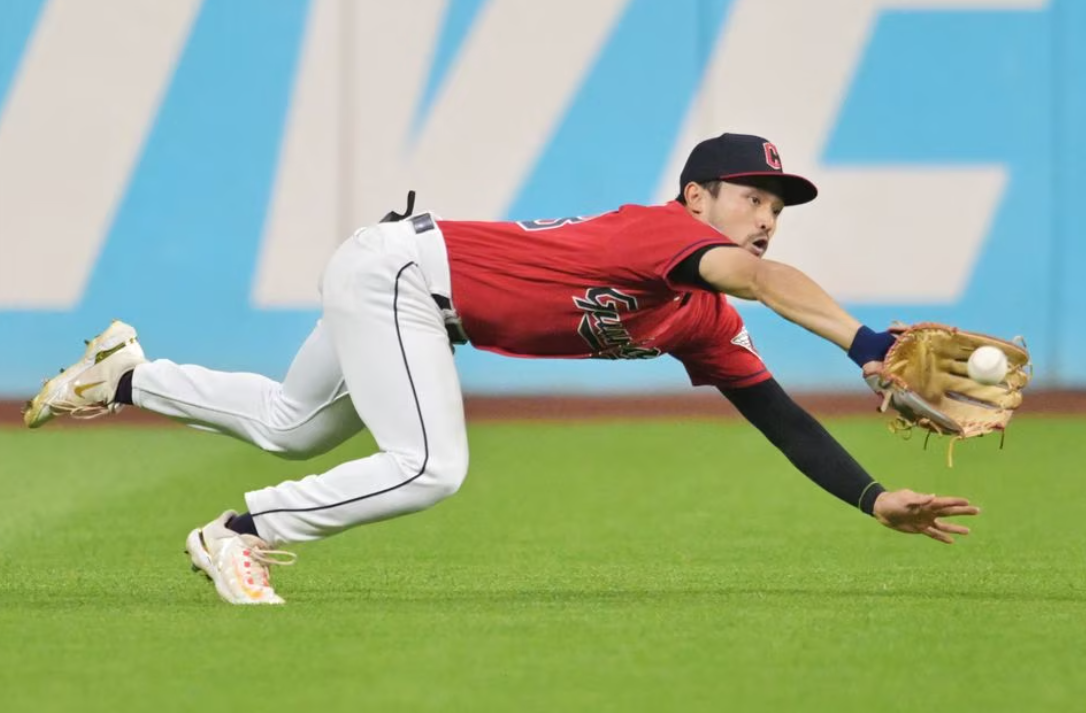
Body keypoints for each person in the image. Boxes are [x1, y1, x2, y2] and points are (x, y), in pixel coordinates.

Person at [23, 132, 980, 605]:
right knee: (431, 463)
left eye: (778, 202)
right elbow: (765, 277)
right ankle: (238, 529)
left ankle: (126, 376)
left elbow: (776, 414)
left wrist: (871, 495)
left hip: (410, 287)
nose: (765, 213)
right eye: (751, 194)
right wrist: (866, 345)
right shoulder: (666, 233)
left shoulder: (704, 319)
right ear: (697, 195)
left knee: (291, 421)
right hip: (404, 275)